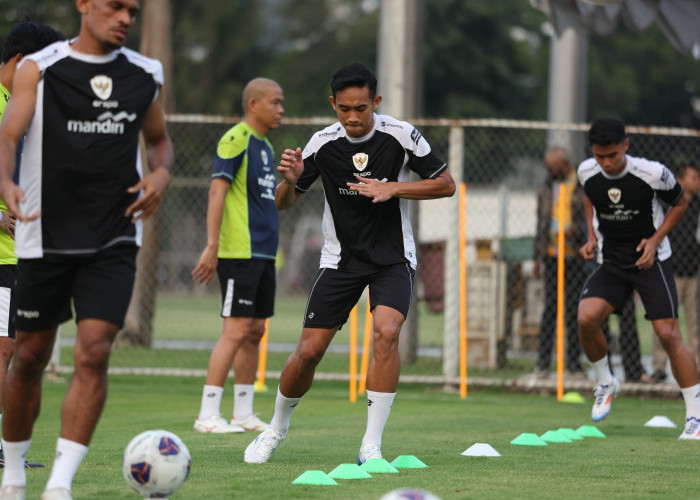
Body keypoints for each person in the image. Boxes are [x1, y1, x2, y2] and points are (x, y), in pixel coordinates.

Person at [0, 1, 173, 498]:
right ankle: (12, 476)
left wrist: (160, 174)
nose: (123, 18)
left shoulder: (145, 74)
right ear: (84, 5)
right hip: (44, 236)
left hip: (114, 237)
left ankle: (59, 484)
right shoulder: (40, 67)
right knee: (30, 356)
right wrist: (8, 183)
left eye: (132, 11)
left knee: (93, 353)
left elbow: (160, 142)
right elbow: (8, 136)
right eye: (114, 6)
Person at [244, 63, 455, 464]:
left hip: (393, 258)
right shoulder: (321, 144)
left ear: (375, 102)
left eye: (361, 107)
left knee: (386, 332)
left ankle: (371, 446)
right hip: (340, 260)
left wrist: (393, 187)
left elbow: (446, 184)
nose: (353, 117)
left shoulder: (401, 135)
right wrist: (290, 181)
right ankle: (275, 429)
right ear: (333, 104)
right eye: (344, 109)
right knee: (308, 352)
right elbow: (284, 203)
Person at [577, 117, 700, 439]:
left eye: (613, 155)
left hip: (651, 262)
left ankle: (696, 416)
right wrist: (590, 236)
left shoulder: (653, 173)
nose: (606, 163)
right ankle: (605, 381)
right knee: (586, 319)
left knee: (668, 334)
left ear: (626, 146)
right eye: (600, 156)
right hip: (611, 262)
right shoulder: (587, 171)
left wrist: (655, 239)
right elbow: (588, 196)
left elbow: (680, 202)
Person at [192, 78, 284, 434]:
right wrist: (212, 245)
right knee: (235, 329)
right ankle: (207, 414)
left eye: (281, 103)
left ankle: (243, 413)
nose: (280, 110)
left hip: (263, 253)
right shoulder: (236, 139)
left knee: (256, 330)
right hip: (237, 250)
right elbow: (217, 192)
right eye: (275, 103)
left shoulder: (265, 146)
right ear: (253, 103)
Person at [0, 21, 65, 470]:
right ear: (23, 63)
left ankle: (10, 448)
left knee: (23, 350)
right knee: (4, 348)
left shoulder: (22, 106)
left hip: (24, 251)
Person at [532, 147, 586, 379]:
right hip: (553, 254)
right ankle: (543, 363)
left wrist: (579, 231)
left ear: (563, 165)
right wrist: (537, 256)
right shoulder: (547, 187)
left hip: (575, 255)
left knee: (574, 309)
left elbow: (589, 218)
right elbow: (540, 221)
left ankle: (574, 363)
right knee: (550, 309)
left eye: (552, 167)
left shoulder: (581, 185)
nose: (549, 171)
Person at [649, 164, 700, 383]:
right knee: (664, 322)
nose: (697, 182)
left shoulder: (697, 205)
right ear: (679, 180)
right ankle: (659, 367)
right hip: (669, 271)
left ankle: (695, 367)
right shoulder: (666, 203)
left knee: (694, 323)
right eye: (693, 178)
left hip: (693, 273)